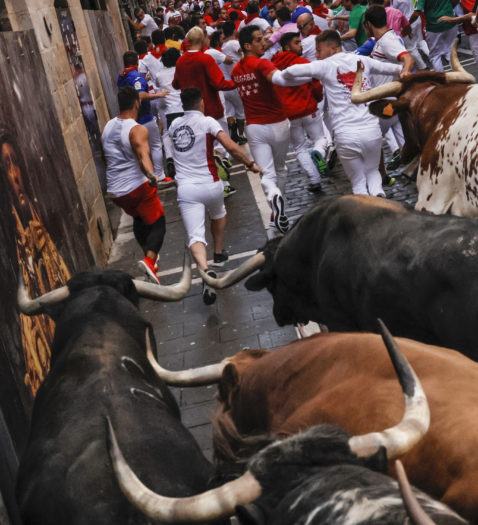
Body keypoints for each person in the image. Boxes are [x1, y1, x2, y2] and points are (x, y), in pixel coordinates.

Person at [272, 30, 405, 197]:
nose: (317, 55)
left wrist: (277, 76)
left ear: (333, 48)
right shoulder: (363, 61)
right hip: (371, 130)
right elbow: (397, 69)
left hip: (345, 135)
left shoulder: (325, 65)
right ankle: (379, 198)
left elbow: (293, 71)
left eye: (319, 50)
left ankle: (366, 212)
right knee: (372, 173)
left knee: (357, 183)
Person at [169, 88, 262, 304]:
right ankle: (218, 253)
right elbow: (230, 146)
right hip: (211, 184)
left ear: (182, 106)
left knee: (195, 236)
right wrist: (249, 163)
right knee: (219, 212)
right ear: (201, 103)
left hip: (187, 188)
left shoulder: (174, 126)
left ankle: (204, 269)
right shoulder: (208, 122)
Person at [0, 129, 71, 396]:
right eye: (6, 166)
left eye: (15, 162)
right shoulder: (12, 237)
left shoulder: (36, 220)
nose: (14, 175)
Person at [102, 87, 167, 285]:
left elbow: (105, 157)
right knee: (159, 224)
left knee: (139, 217)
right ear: (137, 103)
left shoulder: (107, 126)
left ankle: (148, 259)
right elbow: (142, 154)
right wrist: (150, 174)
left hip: (115, 190)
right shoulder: (137, 129)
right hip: (135, 187)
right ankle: (149, 259)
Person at [232, 25, 293, 233]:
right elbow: (276, 78)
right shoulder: (262, 63)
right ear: (247, 45)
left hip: (255, 127)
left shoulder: (236, 71)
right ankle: (278, 205)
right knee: (281, 168)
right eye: (258, 40)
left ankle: (275, 205)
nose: (263, 43)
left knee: (267, 174)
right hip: (278, 123)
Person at [272, 32, 328, 193]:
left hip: (289, 114)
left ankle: (314, 180)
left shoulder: (273, 65)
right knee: (320, 139)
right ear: (287, 47)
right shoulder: (303, 63)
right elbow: (316, 85)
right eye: (297, 43)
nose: (301, 45)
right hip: (309, 109)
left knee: (300, 148)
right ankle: (318, 152)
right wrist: (317, 100)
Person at [117, 51, 171, 184]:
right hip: (144, 117)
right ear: (137, 62)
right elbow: (140, 95)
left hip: (130, 119)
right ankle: (160, 176)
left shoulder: (122, 76)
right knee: (155, 146)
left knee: (139, 150)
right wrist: (158, 94)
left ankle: (147, 177)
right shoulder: (136, 76)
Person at [408, 0, 457, 72]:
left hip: (434, 25)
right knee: (451, 51)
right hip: (450, 22)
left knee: (435, 56)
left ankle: (441, 80)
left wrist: (408, 24)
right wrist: (449, 10)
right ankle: (458, 75)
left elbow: (416, 13)